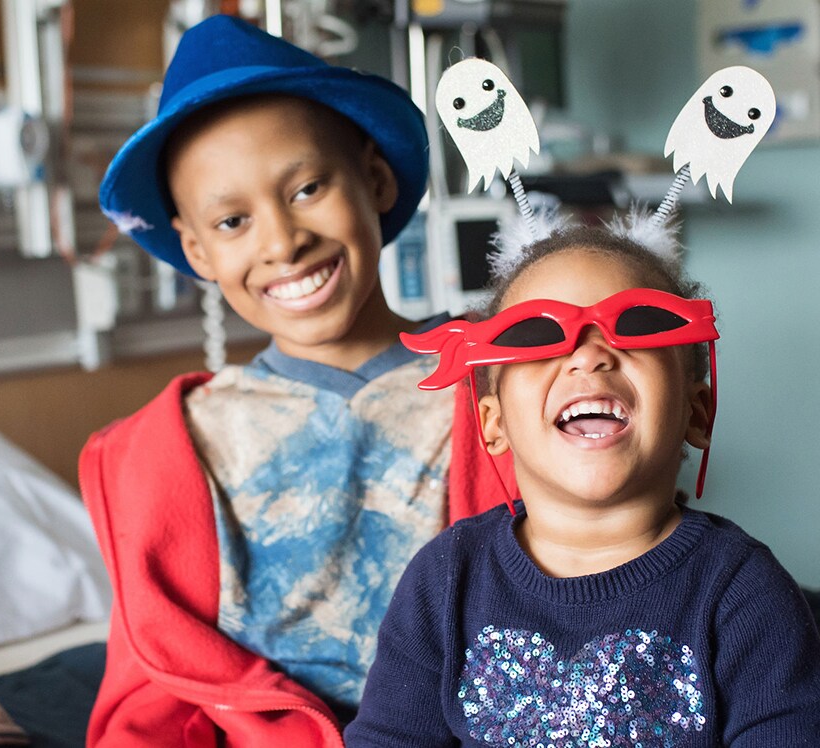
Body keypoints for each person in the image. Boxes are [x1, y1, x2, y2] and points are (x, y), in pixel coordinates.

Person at [81, 15, 508, 747]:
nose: (282, 242)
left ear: (375, 179)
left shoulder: (499, 379)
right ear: (196, 250)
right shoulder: (178, 446)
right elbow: (153, 696)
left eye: (308, 188)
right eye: (232, 222)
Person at [344, 225, 820, 746]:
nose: (588, 357)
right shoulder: (444, 580)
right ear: (493, 424)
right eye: (535, 336)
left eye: (638, 325)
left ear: (697, 413)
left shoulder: (745, 591)